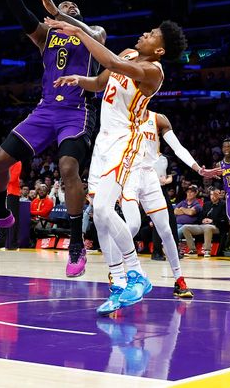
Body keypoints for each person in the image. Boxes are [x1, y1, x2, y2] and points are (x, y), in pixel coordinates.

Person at [0, 0, 106, 279]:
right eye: (64, 8)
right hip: (46, 111)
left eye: (72, 9)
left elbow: (93, 33)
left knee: (68, 167)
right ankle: (0, 211)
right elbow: (21, 14)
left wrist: (59, 11)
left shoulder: (93, 34)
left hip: (76, 111)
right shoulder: (46, 37)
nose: (67, 10)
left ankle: (76, 244)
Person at [49, 16, 188, 314]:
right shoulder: (127, 53)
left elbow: (110, 61)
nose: (144, 33)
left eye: (151, 34)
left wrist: (78, 32)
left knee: (101, 209)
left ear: (160, 50)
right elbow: (101, 82)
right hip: (102, 140)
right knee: (99, 216)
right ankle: (119, 285)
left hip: (124, 141)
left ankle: (136, 273)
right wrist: (79, 80)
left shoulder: (153, 72)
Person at [118, 110, 219, 296]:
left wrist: (198, 169)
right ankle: (116, 275)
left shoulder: (158, 118)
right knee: (132, 226)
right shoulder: (121, 114)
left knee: (166, 230)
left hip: (150, 176)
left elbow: (178, 148)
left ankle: (179, 280)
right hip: (128, 175)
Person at [182, 187, 227, 257]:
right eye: (211, 195)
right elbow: (200, 217)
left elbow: (224, 219)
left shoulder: (223, 205)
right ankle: (192, 249)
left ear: (218, 195)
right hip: (203, 225)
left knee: (208, 227)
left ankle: (207, 250)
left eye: (214, 195)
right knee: (185, 227)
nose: (213, 196)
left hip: (216, 226)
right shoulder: (207, 204)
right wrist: (202, 220)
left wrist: (212, 220)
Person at [0, 162, 22, 250]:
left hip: (12, 193)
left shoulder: (17, 162)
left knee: (13, 217)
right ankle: (1, 242)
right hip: (2, 191)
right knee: (0, 216)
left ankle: (13, 243)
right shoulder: (3, 161)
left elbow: (13, 178)